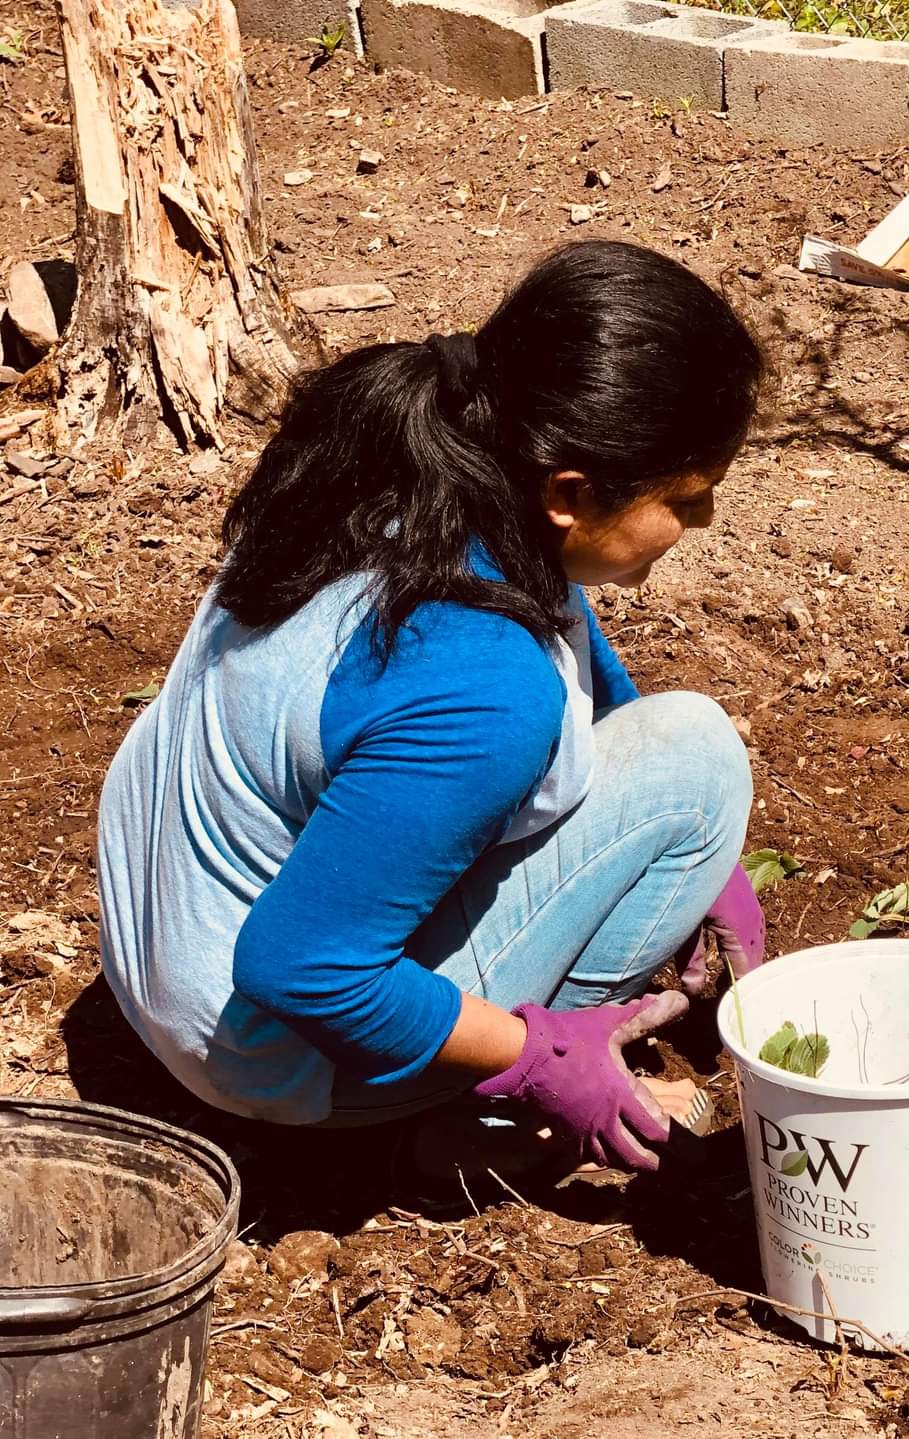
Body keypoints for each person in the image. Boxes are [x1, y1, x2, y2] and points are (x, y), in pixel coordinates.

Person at [97, 240, 766, 1173]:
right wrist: (536, 1057)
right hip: (269, 1051)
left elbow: (566, 627)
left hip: (155, 948)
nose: (699, 526)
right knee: (699, 761)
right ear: (570, 493)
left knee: (677, 773)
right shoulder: (483, 688)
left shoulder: (414, 462)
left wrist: (696, 863)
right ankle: (484, 1122)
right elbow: (300, 969)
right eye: (689, 499)